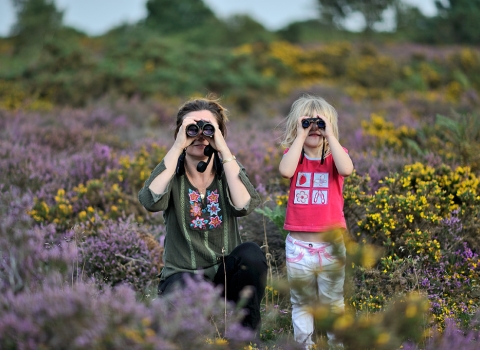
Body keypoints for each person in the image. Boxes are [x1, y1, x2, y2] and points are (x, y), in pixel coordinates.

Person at [138, 97, 267, 332]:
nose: (200, 135)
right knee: (178, 322)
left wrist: (223, 150)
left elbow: (244, 205)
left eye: (208, 129)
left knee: (251, 254)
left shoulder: (227, 170)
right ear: (180, 133)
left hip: (226, 277)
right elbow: (150, 200)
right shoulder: (171, 174)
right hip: (184, 277)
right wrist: (178, 147)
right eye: (191, 129)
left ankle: (247, 336)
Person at [278, 94, 354, 348]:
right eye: (307, 123)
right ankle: (305, 346)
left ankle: (336, 345)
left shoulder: (336, 156)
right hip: (299, 246)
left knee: (333, 303)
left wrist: (330, 136)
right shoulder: (294, 156)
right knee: (301, 303)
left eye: (320, 123)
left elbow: (347, 170)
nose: (314, 128)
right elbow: (285, 171)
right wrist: (300, 137)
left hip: (331, 246)